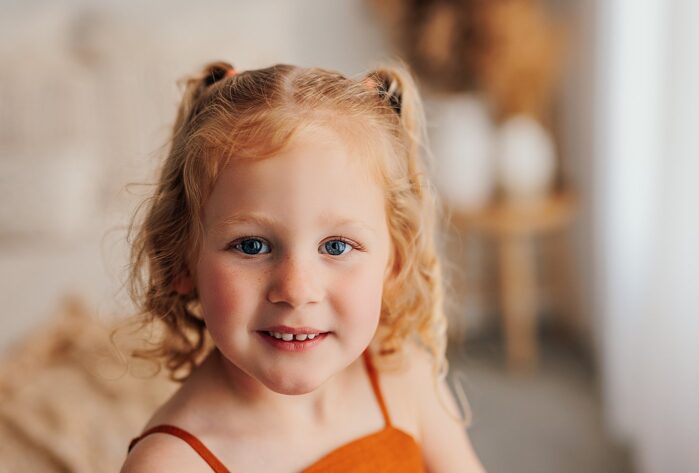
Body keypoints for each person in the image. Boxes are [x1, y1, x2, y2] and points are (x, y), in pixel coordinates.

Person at [120, 61, 485, 472]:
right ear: (179, 260)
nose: (296, 288)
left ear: (394, 263)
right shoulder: (170, 465)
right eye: (253, 245)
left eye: (336, 246)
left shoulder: (405, 379)